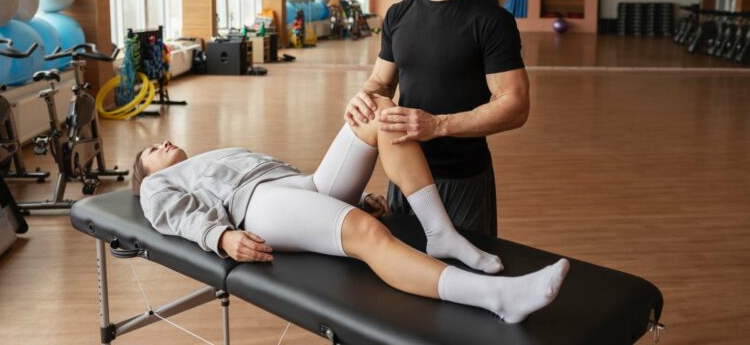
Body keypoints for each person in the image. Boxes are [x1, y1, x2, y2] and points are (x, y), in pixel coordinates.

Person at [134, 96, 568, 324]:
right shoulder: (157, 185)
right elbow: (175, 215)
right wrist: (221, 237)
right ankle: (498, 298)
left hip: (297, 187)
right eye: (153, 150)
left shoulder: (207, 156)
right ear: (146, 172)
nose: (163, 144)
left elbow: (300, 194)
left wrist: (352, 198)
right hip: (256, 208)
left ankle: (441, 232)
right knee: (365, 234)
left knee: (384, 113)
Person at [345, 0, 529, 236]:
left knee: (465, 281)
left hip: (462, 178)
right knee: (403, 278)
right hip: (403, 174)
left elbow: (515, 106)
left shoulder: (491, 21)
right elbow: (380, 83)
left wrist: (438, 125)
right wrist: (363, 97)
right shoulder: (398, 15)